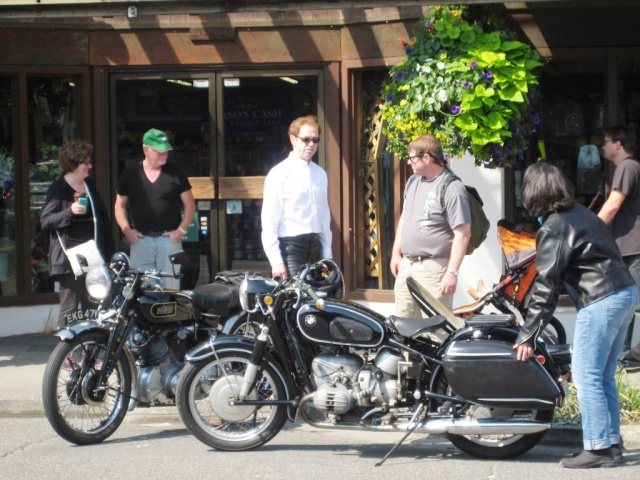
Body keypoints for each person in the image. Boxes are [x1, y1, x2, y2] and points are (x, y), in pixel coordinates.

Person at [513, 161, 637, 469]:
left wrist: (528, 333)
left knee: (586, 376)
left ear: (534, 192)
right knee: (603, 375)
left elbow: (546, 284)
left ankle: (597, 448)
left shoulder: (553, 227)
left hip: (602, 299)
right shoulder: (581, 213)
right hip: (624, 292)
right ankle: (610, 446)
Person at [389, 134, 471, 314]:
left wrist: (452, 272)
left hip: (434, 268)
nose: (409, 163)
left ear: (426, 158)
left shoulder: (452, 187)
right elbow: (405, 218)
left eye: (412, 158)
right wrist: (396, 253)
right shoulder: (413, 181)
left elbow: (463, 234)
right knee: (404, 326)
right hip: (407, 265)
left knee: (437, 329)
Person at [40, 140, 114, 330]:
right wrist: (69, 212)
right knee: (69, 310)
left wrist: (109, 254)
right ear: (73, 164)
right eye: (86, 162)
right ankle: (66, 357)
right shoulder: (59, 188)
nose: (90, 166)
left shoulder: (88, 185)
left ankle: (93, 353)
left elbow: (102, 220)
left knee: (94, 306)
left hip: (91, 255)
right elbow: (45, 220)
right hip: (68, 258)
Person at [115, 128, 195, 290]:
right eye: (159, 151)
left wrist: (181, 231)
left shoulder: (175, 172)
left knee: (171, 290)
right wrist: (127, 231)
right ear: (146, 149)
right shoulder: (130, 174)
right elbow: (119, 205)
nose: (164, 154)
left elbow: (190, 205)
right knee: (142, 290)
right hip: (141, 239)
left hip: (169, 239)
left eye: (166, 150)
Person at [261, 115, 332, 279]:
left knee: (319, 300)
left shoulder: (320, 174)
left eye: (315, 139)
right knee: (294, 300)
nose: (311, 144)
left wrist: (327, 253)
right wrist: (276, 261)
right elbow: (269, 222)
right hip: (291, 247)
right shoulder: (279, 174)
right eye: (306, 139)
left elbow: (324, 216)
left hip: (315, 246)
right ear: (293, 139)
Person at [597, 125, 640, 365]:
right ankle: (623, 356)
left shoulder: (627, 167)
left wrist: (590, 229)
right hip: (628, 247)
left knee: (629, 300)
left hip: (634, 248)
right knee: (626, 302)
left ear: (618, 144)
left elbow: (613, 204)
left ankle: (629, 353)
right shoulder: (632, 167)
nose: (603, 146)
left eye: (606, 141)